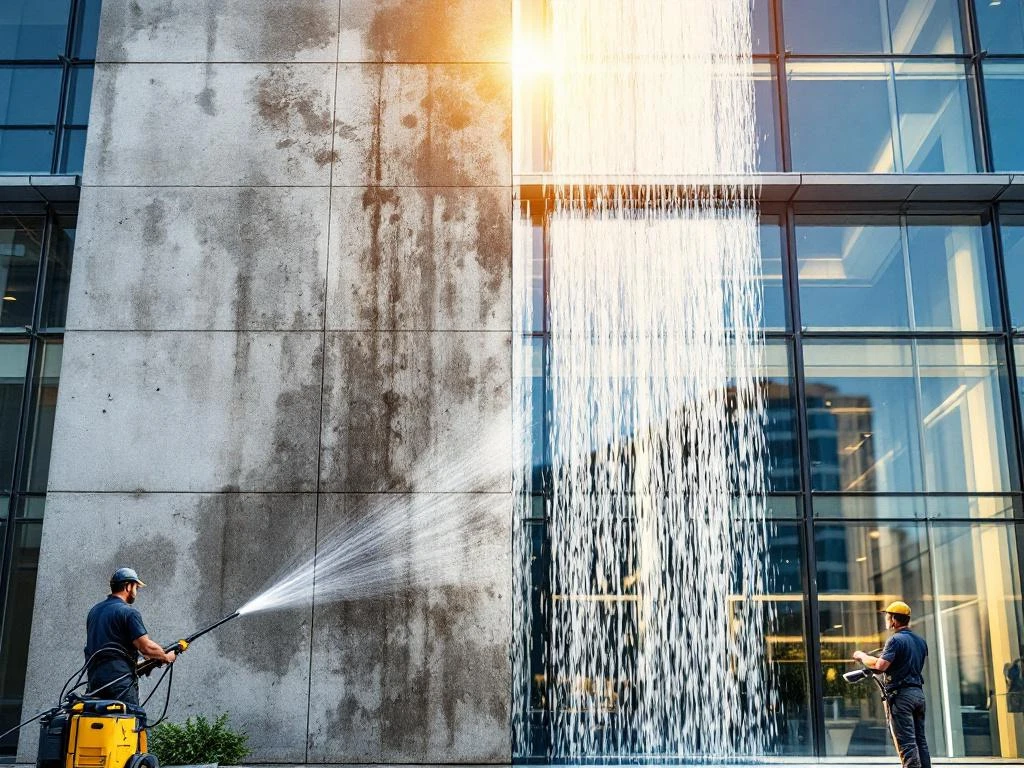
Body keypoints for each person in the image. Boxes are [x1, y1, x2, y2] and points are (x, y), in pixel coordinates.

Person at [853, 600, 930, 768]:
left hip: (901, 697)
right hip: (918, 695)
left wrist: (862, 656)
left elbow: (880, 667)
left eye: (888, 616)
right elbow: (903, 663)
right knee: (920, 741)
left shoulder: (895, 640)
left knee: (907, 744)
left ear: (894, 619)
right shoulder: (920, 641)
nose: (886, 619)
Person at [84, 567, 176, 705]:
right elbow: (146, 648)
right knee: (131, 722)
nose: (136, 592)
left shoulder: (94, 611)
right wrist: (166, 656)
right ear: (128, 586)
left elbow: (108, 645)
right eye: (136, 588)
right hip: (119, 684)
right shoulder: (128, 612)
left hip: (95, 682)